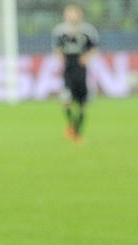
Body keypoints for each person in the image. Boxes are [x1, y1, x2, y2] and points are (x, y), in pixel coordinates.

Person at [52, 4, 99, 142]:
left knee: (82, 103)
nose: (72, 15)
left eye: (74, 13)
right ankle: (72, 126)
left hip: (81, 67)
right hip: (68, 67)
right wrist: (60, 57)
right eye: (69, 13)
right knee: (66, 99)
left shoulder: (88, 30)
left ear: (80, 14)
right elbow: (57, 48)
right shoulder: (60, 31)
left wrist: (86, 57)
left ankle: (77, 131)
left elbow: (94, 48)